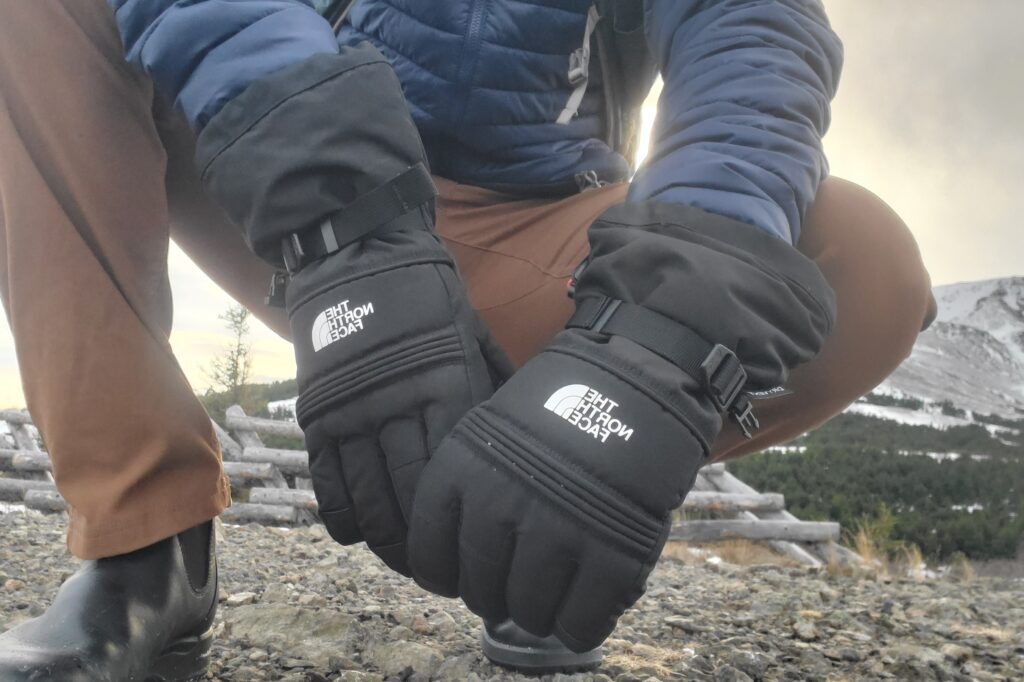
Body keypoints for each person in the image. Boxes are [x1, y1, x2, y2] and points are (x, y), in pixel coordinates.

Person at [0, 0, 936, 679]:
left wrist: (648, 352)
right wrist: (346, 216)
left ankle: (561, 522)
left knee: (865, 260)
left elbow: (754, 44)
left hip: (527, 245)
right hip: (291, 189)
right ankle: (144, 542)